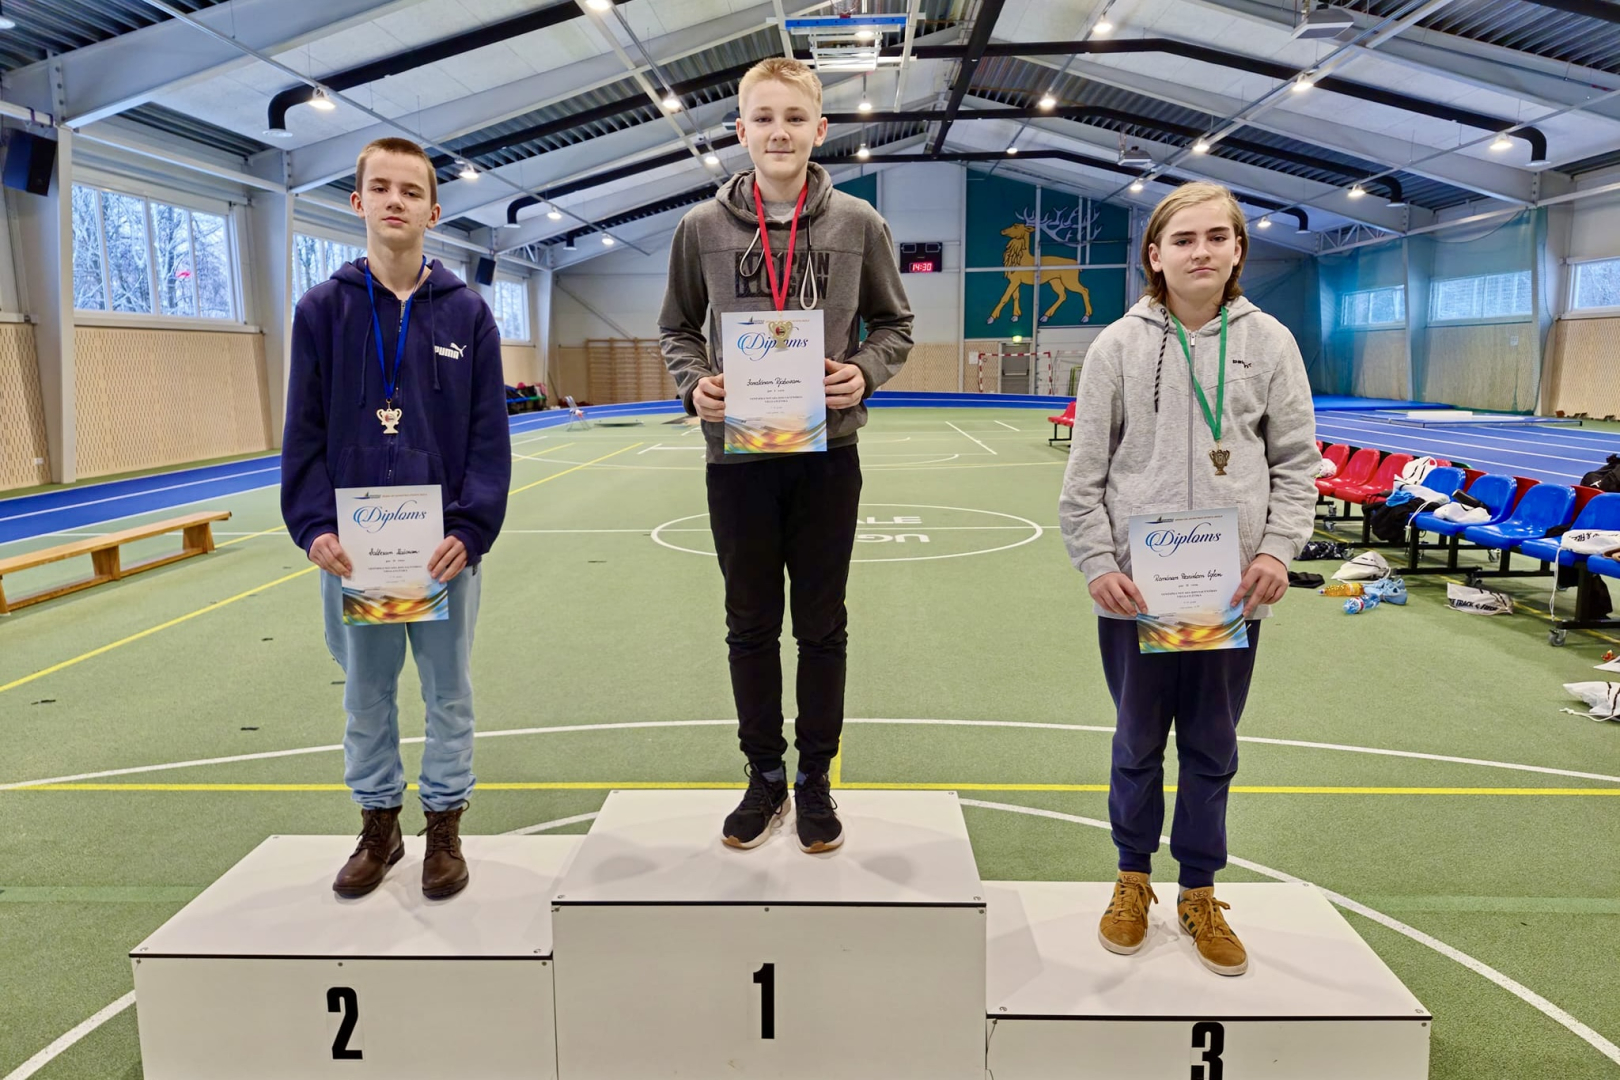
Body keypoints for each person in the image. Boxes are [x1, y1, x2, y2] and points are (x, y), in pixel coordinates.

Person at [1057, 182, 1316, 975]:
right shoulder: (1117, 346)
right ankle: (1132, 877)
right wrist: (1098, 563)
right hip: (1138, 593)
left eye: (1216, 237)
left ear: (1238, 250)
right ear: (1155, 254)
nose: (1200, 251)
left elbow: (1297, 463)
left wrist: (1276, 552)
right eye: (1183, 239)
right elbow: (1084, 474)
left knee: (1212, 745)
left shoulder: (1270, 343)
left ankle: (1199, 889)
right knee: (1137, 743)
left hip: (1230, 592)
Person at [658, 57, 913, 854]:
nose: (779, 132)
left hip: (826, 457)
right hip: (737, 460)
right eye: (763, 118)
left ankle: (815, 779)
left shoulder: (859, 225)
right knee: (749, 625)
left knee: (822, 626)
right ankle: (764, 774)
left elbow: (895, 326)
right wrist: (695, 386)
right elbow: (676, 329)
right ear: (740, 130)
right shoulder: (700, 229)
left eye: (795, 118)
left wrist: (862, 372)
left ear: (819, 129)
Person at [281, 137, 511, 900]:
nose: (394, 201)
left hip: (442, 550)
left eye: (411, 191)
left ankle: (444, 824)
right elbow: (303, 432)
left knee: (449, 694)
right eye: (380, 187)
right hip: (357, 552)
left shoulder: (468, 314)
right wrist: (313, 525)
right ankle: (379, 824)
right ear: (357, 202)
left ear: (433, 212)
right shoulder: (321, 311)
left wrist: (471, 528)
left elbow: (488, 436)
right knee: (365, 696)